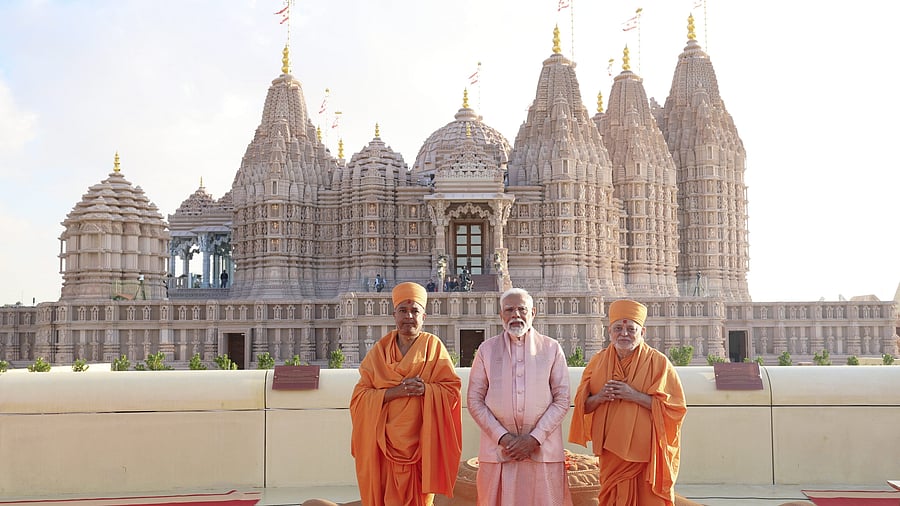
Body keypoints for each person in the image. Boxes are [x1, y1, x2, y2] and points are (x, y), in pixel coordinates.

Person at [350, 282, 463, 506]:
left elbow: (451, 389)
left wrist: (427, 390)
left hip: (422, 444)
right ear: (394, 315)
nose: (408, 316)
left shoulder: (434, 348)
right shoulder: (379, 351)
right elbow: (360, 397)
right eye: (403, 310)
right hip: (383, 445)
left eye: (415, 311)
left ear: (424, 317)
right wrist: (395, 392)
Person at [569, 300, 687, 506]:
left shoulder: (658, 363)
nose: (624, 333)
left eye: (631, 329)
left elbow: (674, 409)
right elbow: (583, 407)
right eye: (618, 328)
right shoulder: (597, 362)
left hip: (645, 454)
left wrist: (634, 395)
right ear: (609, 332)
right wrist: (599, 397)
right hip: (610, 453)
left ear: (643, 332)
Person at [467, 288, 572, 506]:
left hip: (542, 450)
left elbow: (562, 399)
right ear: (501, 315)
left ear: (533, 313)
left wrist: (534, 439)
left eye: (521, 309)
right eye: (509, 310)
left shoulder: (552, 348)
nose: (516, 315)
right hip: (499, 451)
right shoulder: (487, 349)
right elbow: (474, 400)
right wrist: (503, 438)